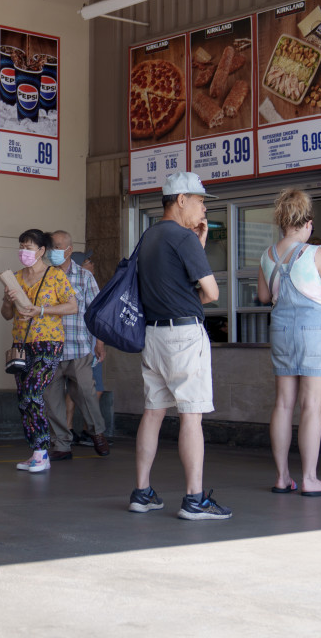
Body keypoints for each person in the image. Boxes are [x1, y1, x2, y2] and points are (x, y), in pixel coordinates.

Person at [129, 171, 231, 520]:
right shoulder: (183, 238)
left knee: (153, 412)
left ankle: (142, 492)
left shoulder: (149, 236)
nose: (204, 210)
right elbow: (212, 293)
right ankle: (194, 499)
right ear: (181, 200)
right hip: (184, 337)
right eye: (200, 201)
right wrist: (196, 248)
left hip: (153, 335)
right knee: (191, 415)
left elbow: (166, 286)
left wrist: (198, 246)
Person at [256, 189, 321, 497]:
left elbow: (264, 297)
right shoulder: (315, 254)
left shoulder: (267, 256)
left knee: (283, 405)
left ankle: (282, 476)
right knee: (311, 407)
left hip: (282, 331)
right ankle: (310, 479)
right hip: (315, 333)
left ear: (281, 221)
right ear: (307, 222)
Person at [0, 229, 77, 473]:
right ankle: (36, 451)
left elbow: (72, 306)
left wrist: (42, 311)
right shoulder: (15, 277)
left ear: (41, 251)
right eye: (21, 246)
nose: (24, 251)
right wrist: (7, 301)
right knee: (24, 398)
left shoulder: (55, 276)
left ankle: (43, 451)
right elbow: (7, 315)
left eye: (29, 247)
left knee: (33, 391)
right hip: (21, 344)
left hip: (49, 342)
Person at [44, 231, 109, 460]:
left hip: (79, 348)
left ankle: (97, 432)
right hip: (49, 350)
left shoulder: (84, 277)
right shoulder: (43, 276)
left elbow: (97, 313)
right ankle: (61, 444)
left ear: (69, 250)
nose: (53, 251)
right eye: (51, 247)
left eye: (58, 247)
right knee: (52, 400)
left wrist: (99, 343)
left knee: (86, 393)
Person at [68, 249, 105, 446]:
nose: (92, 263)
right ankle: (91, 431)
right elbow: (96, 314)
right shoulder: (85, 280)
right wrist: (100, 343)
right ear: (80, 266)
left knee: (74, 389)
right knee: (92, 388)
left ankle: (70, 430)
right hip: (85, 346)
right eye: (88, 261)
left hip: (76, 347)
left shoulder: (81, 281)